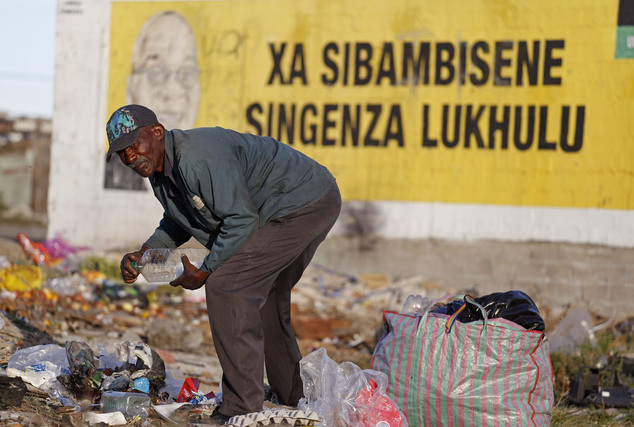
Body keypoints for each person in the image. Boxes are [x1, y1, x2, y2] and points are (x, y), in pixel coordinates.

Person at [106, 104, 341, 422]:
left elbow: (241, 221)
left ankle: (242, 406)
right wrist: (147, 252)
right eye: (122, 153)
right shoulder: (160, 172)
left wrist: (206, 269)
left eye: (134, 145)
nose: (131, 158)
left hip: (303, 202)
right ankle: (293, 396)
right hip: (295, 205)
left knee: (228, 286)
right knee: (265, 296)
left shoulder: (197, 157)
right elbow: (177, 221)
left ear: (158, 132)